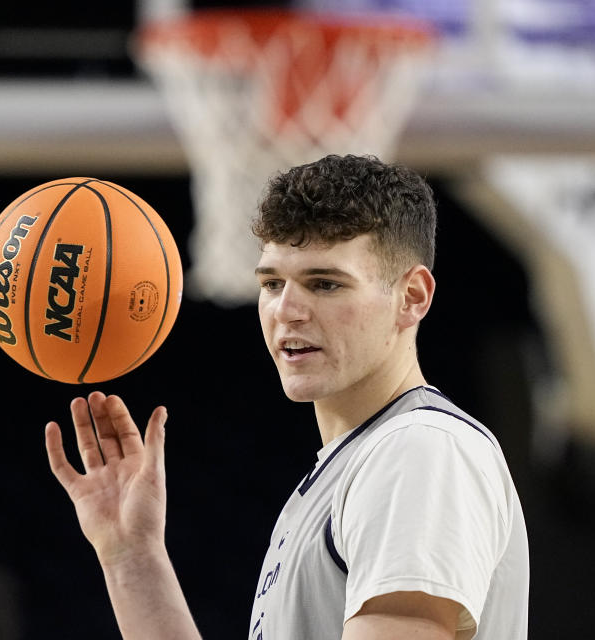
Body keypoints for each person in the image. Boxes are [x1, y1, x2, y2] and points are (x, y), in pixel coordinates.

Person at [44, 154, 529, 639]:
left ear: (413, 297)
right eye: (272, 283)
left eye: (324, 283)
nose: (287, 310)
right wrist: (132, 555)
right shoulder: (352, 466)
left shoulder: (419, 448)